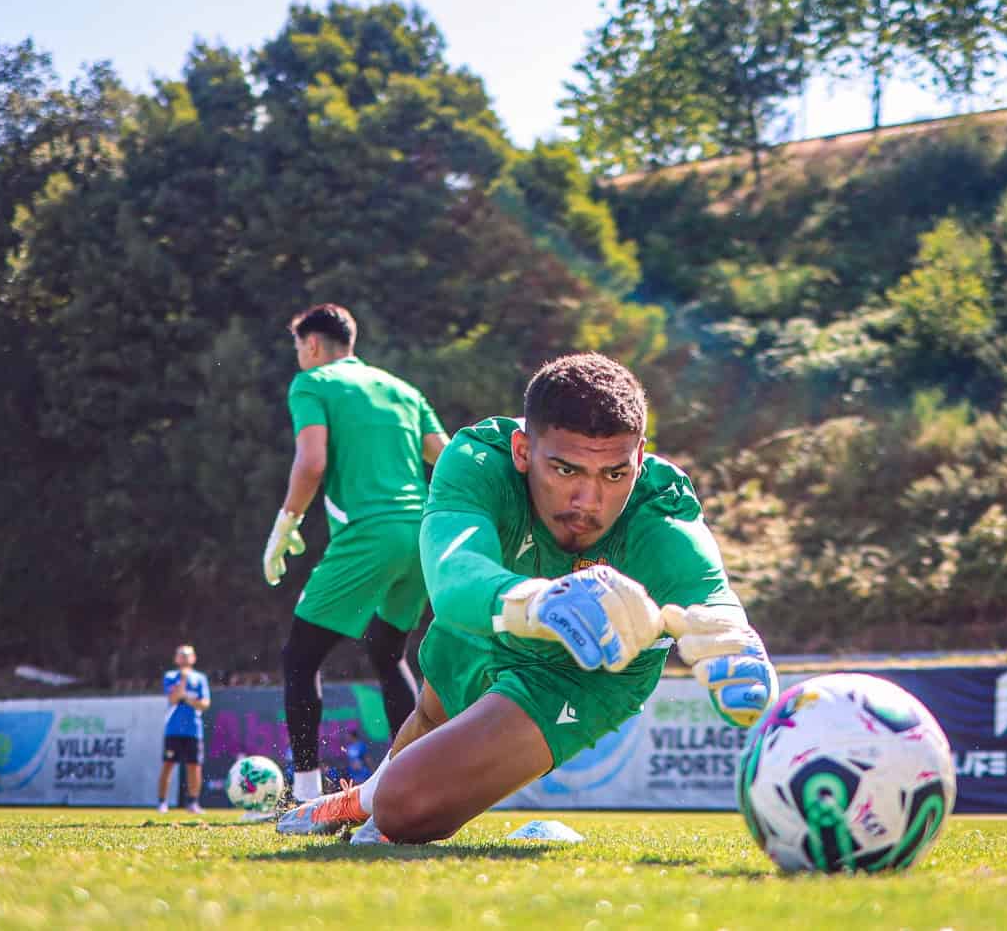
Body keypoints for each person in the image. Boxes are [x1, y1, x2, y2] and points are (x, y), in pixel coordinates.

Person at [278, 353, 778, 841]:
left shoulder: (659, 505)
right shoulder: (479, 459)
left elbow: (707, 590)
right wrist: (540, 603)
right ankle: (358, 799)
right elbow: (453, 577)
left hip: (585, 671)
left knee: (403, 808)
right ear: (522, 450)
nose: (589, 502)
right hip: (499, 609)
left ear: (639, 458)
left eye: (614, 474)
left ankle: (374, 804)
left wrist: (729, 636)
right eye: (565, 471)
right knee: (432, 713)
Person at [263, 303, 449, 803]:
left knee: (300, 657)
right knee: (388, 655)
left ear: (314, 346)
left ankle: (303, 793)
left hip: (373, 534)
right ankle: (422, 783)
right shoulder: (402, 390)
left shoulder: (313, 383)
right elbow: (447, 456)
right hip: (423, 534)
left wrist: (287, 522)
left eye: (299, 348)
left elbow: (312, 460)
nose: (299, 358)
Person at [157, 644, 211, 814]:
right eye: (181, 655)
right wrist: (183, 681)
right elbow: (173, 699)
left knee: (194, 766)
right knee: (168, 765)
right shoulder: (171, 676)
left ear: (194, 658)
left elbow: (204, 704)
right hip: (173, 730)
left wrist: (186, 698)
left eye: (188, 655)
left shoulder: (200, 678)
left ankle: (193, 802)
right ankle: (162, 802)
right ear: (176, 659)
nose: (185, 658)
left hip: (193, 731)